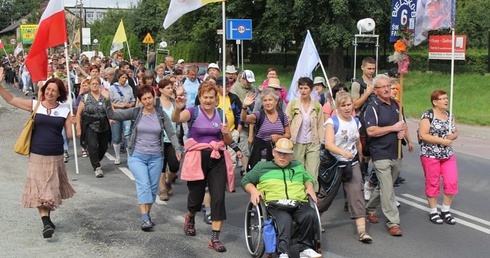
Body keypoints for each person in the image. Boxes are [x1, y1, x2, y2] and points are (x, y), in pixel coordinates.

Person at [0, 72, 76, 239]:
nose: (50, 93)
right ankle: (46, 222)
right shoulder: (36, 105)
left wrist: (75, 123)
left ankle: (47, 219)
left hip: (55, 155)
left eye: (54, 91)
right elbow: (11, 100)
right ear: (44, 90)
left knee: (49, 189)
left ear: (59, 93)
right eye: (48, 89)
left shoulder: (64, 110)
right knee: (41, 190)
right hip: (37, 154)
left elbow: (70, 136)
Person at [103, 84, 182, 231]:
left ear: (154, 97)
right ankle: (144, 218)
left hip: (156, 157)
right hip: (137, 156)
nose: (148, 101)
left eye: (150, 97)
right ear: (140, 100)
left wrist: (177, 148)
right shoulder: (135, 112)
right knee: (144, 184)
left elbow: (171, 133)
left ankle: (147, 214)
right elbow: (113, 115)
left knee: (152, 189)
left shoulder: (160, 114)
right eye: (144, 99)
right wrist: (108, 100)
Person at [172, 81, 234, 252]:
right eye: (205, 97)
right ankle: (191, 215)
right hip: (197, 159)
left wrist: (226, 133)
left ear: (216, 99)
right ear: (200, 98)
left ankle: (215, 238)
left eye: (211, 98)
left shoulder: (221, 115)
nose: (208, 100)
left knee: (218, 197)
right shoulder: (193, 111)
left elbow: (227, 141)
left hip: (217, 158)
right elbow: (176, 119)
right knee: (196, 197)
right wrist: (177, 108)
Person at [242, 138, 322, 258]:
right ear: (274, 152)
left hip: (297, 202)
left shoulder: (297, 166)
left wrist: (309, 187)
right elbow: (246, 181)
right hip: (275, 204)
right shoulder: (262, 167)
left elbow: (308, 179)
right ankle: (283, 252)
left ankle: (305, 248)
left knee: (309, 214)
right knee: (284, 219)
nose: (282, 157)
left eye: (286, 154)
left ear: (291, 155)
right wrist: (253, 191)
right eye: (279, 153)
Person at [316, 92, 373, 243]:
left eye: (349, 105)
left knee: (356, 194)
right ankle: (312, 220)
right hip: (334, 164)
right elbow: (329, 144)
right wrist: (342, 152)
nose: (347, 108)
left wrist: (360, 160)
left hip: (352, 163)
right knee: (326, 196)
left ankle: (362, 231)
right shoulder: (331, 123)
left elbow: (357, 142)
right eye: (343, 105)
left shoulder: (356, 121)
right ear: (337, 107)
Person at [364, 74, 406, 237]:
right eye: (383, 87)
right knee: (388, 188)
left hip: (396, 151)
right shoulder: (372, 107)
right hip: (380, 152)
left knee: (384, 185)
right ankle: (393, 222)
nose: (387, 88)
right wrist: (393, 128)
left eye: (388, 85)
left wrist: (402, 133)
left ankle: (369, 209)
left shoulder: (397, 105)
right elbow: (371, 131)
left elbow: (401, 125)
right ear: (375, 90)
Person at [418, 90, 458, 225]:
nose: (446, 101)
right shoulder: (428, 115)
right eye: (442, 99)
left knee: (451, 181)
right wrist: (442, 141)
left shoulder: (450, 115)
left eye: (446, 98)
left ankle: (446, 210)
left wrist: (453, 136)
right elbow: (423, 135)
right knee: (433, 182)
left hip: (447, 155)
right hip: (430, 154)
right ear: (435, 102)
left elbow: (455, 131)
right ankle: (433, 210)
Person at [286, 77, 324, 191]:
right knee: (297, 170)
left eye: (306, 88)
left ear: (311, 90)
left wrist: (321, 143)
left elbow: (321, 126)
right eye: (301, 88)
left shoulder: (317, 106)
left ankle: (312, 196)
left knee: (312, 171)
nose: (303, 91)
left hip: (313, 143)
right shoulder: (292, 105)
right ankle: (297, 193)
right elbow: (286, 122)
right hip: (296, 142)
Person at [241, 88, 291, 172]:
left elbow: (288, 134)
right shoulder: (259, 115)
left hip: (278, 155)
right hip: (260, 156)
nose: (268, 103)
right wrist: (244, 107)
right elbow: (244, 119)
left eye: (270, 100)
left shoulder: (282, 115)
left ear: (276, 101)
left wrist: (279, 137)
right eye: (265, 100)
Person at [75, 76, 111, 178]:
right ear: (90, 85)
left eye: (97, 84)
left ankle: (95, 159)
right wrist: (78, 127)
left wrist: (111, 118)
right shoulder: (85, 97)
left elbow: (110, 109)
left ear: (100, 85)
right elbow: (79, 114)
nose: (95, 86)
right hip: (90, 124)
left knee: (104, 146)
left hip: (103, 124)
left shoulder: (105, 96)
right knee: (92, 145)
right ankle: (97, 167)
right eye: (93, 84)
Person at [156, 79, 183, 202]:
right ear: (160, 89)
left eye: (171, 87)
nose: (170, 90)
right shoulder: (156, 103)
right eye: (167, 88)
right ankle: (162, 190)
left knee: (174, 165)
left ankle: (168, 181)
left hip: (173, 138)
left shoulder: (174, 102)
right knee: (161, 165)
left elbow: (181, 115)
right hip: (159, 139)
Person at [109, 70, 135, 165]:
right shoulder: (112, 88)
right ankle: (117, 156)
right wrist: (121, 106)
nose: (124, 80)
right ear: (118, 78)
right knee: (116, 136)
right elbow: (110, 102)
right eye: (122, 78)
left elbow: (133, 99)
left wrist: (130, 104)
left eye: (125, 78)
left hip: (127, 113)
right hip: (116, 113)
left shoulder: (129, 88)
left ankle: (129, 157)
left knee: (128, 134)